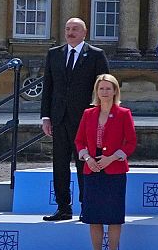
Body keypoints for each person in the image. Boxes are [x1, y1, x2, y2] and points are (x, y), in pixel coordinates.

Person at [40, 17, 109, 222]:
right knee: (59, 164)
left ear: (84, 33)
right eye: (68, 28)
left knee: (84, 164)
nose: (70, 32)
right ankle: (63, 208)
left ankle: (87, 207)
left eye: (75, 29)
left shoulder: (96, 55)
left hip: (86, 120)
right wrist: (46, 117)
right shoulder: (54, 54)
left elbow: (104, 89)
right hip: (59, 118)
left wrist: (101, 116)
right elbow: (48, 88)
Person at [75, 73, 134, 250]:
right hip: (92, 169)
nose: (105, 92)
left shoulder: (124, 113)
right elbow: (79, 141)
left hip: (114, 169)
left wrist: (113, 158)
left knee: (114, 217)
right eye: (101, 89)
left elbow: (131, 142)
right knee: (94, 217)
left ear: (115, 91)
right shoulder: (88, 114)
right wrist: (87, 158)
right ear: (96, 92)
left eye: (108, 88)